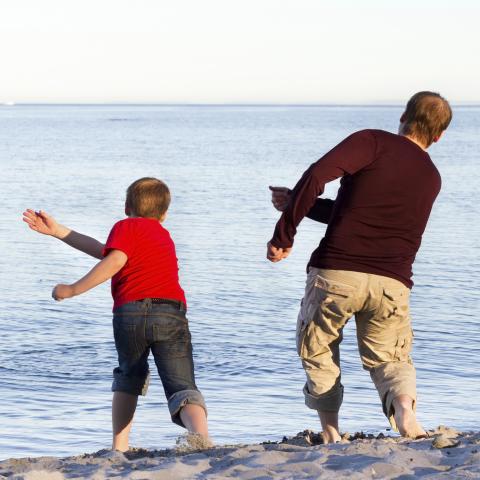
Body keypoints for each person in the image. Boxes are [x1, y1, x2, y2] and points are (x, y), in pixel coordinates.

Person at [267, 92, 452, 443]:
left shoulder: (372, 142)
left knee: (318, 348)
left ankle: (331, 433)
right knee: (391, 358)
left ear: (403, 117)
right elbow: (358, 213)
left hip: (337, 273)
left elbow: (318, 174)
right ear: (439, 136)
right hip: (392, 284)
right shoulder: (432, 176)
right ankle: (404, 409)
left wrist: (285, 232)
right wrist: (298, 204)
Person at [23, 177, 210, 452]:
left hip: (132, 313)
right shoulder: (161, 235)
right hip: (171, 313)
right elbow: (105, 251)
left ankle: (119, 447)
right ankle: (202, 439)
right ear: (165, 213)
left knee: (129, 376)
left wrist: (73, 289)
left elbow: (115, 259)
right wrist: (58, 231)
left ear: (126, 207)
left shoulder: (126, 227)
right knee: (182, 383)